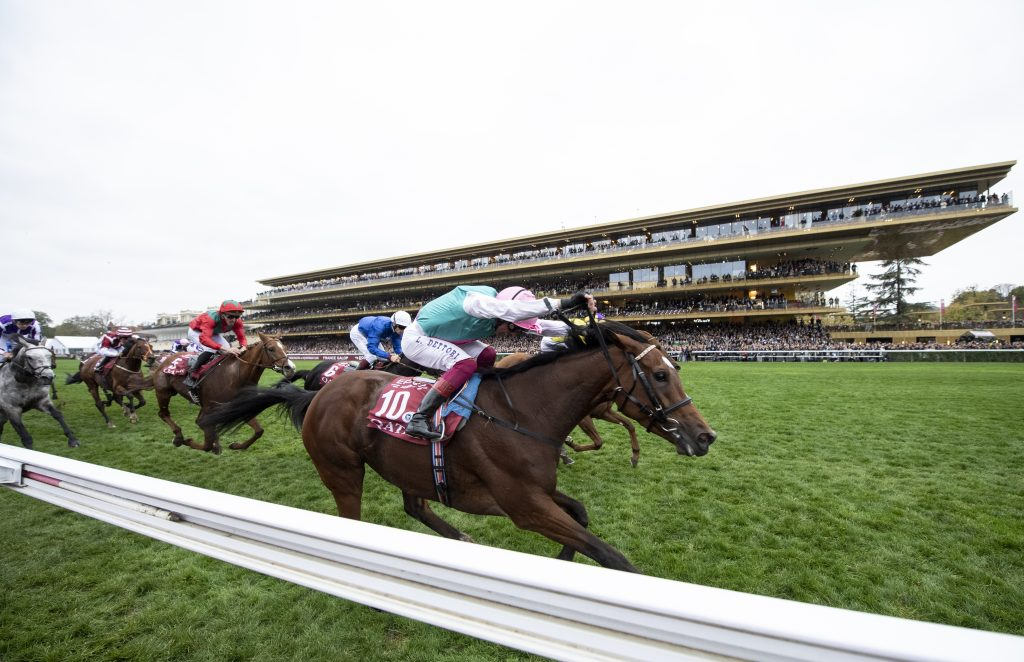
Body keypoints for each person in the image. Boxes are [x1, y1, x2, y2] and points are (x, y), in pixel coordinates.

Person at [402, 285, 595, 440]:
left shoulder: (501, 316)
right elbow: (510, 309)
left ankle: (477, 401)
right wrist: (564, 302)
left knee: (488, 354)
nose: (514, 335)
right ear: (504, 318)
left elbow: (541, 326)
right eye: (514, 330)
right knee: (465, 364)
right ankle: (419, 418)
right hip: (417, 338)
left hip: (444, 338)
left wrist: (583, 329)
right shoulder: (477, 302)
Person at [183, 300, 248, 390]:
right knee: (211, 349)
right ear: (222, 315)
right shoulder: (210, 318)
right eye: (230, 316)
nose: (233, 319)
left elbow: (242, 337)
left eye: (237, 317)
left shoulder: (237, 321)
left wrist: (244, 347)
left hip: (212, 332)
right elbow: (204, 339)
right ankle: (192, 374)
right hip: (196, 331)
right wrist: (226, 349)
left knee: (227, 348)